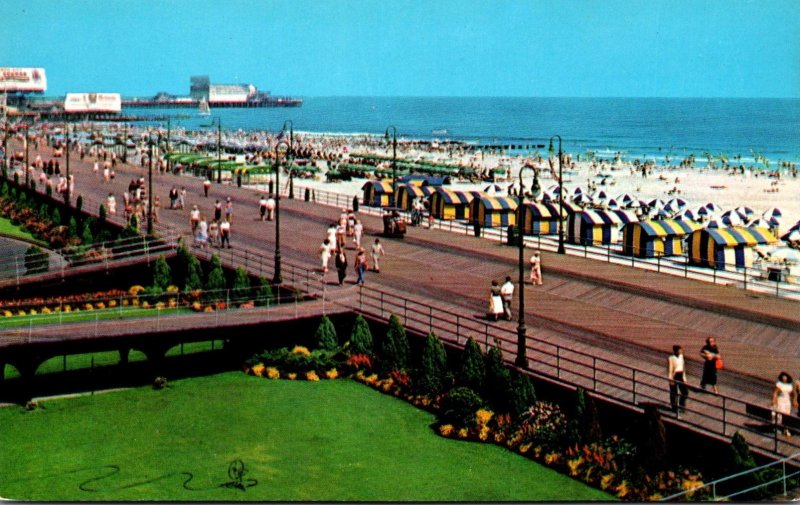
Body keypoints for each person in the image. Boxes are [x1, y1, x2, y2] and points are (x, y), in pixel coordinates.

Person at [772, 372, 797, 436]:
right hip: (780, 401)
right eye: (783, 377)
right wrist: (774, 401)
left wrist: (794, 401)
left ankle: (786, 429)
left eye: (785, 377)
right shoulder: (779, 384)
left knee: (787, 415)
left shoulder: (789, 385)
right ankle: (777, 427)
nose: (784, 378)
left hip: (787, 402)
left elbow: (792, 394)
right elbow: (775, 393)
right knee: (779, 415)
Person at [668, 345, 689, 417]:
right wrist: (670, 379)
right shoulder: (671, 358)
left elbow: (683, 367)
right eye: (680, 350)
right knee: (674, 392)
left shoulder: (681, 357)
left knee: (685, 392)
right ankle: (674, 406)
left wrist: (684, 378)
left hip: (680, 374)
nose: (681, 351)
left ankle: (681, 405)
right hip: (674, 375)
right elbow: (670, 369)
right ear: (676, 351)